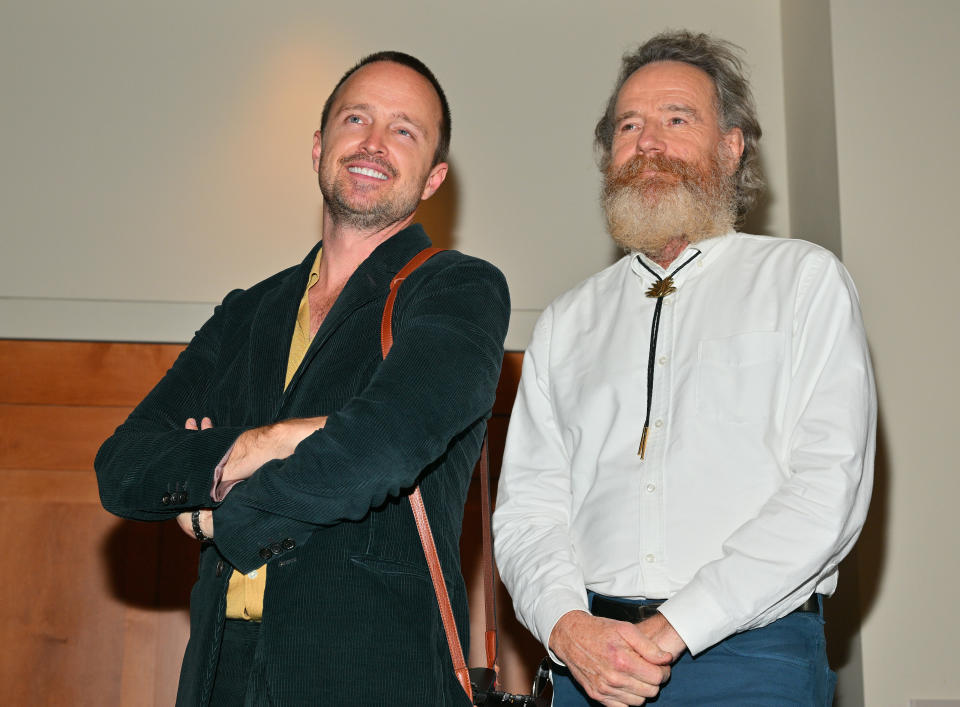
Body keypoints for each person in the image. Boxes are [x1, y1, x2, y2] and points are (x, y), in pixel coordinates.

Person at [96, 50, 510, 706]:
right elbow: (121, 465)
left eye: (404, 130)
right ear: (320, 145)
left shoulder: (460, 290)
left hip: (371, 674)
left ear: (434, 177)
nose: (373, 142)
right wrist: (277, 439)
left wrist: (220, 510)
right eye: (356, 118)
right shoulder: (246, 312)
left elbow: (385, 441)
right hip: (217, 674)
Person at [493, 30, 874, 706]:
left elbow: (826, 488)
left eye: (677, 119)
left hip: (753, 656)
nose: (647, 142)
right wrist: (568, 627)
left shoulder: (804, 281)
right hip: (590, 666)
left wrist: (676, 625)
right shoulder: (564, 323)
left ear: (731, 148)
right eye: (629, 125)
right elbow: (528, 513)